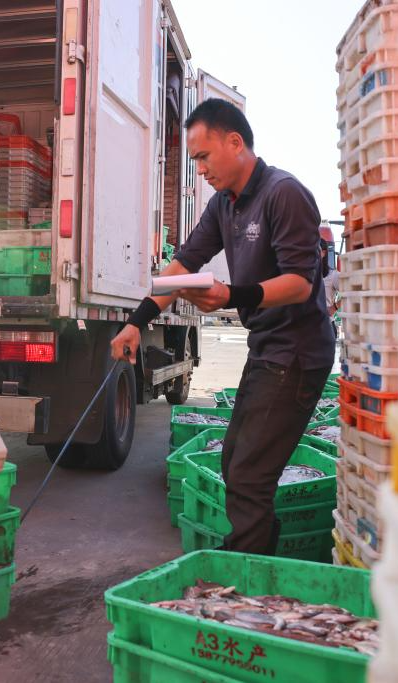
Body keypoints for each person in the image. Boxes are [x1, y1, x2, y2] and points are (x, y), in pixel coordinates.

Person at [111, 99, 336, 555]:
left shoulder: (283, 193)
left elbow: (299, 283)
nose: (200, 169)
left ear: (235, 143)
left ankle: (245, 586)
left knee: (249, 477)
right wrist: (137, 322)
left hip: (298, 351)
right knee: (236, 463)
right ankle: (258, 569)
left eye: (202, 156)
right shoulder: (223, 206)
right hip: (267, 347)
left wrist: (231, 295)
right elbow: (182, 267)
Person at [321, 238, 340, 337]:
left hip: (326, 327)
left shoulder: (332, 275)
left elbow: (352, 291)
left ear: (323, 253)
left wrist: (335, 307)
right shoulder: (305, 275)